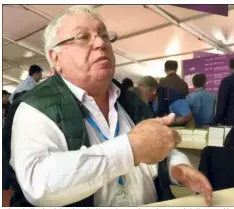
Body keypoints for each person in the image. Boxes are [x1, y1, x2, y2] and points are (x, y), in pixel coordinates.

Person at [5, 5, 212, 207]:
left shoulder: (131, 101)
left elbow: (152, 146)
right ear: (55, 58)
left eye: (104, 35)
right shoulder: (34, 108)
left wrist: (177, 165)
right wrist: (130, 150)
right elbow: (39, 185)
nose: (100, 43)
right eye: (83, 37)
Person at [214, 57, 234, 126]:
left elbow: (222, 102)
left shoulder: (227, 81)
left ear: (231, 68)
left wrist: (218, 120)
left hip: (233, 120)